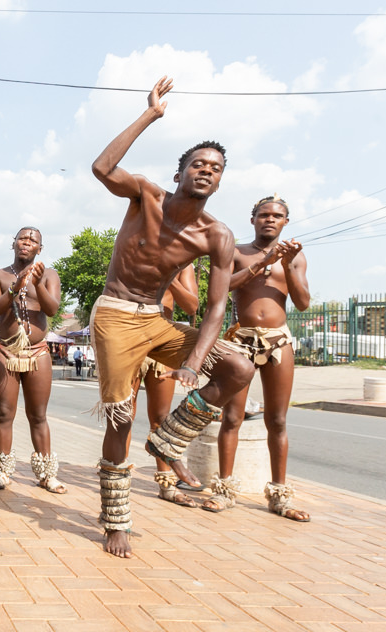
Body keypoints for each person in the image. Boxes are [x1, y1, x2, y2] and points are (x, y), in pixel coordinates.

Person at [89, 77, 255, 558]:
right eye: (198, 164)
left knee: (238, 367)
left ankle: (166, 442)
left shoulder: (216, 235)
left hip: (156, 320)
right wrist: (151, 115)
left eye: (216, 168)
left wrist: (193, 360)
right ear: (180, 172)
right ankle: (115, 519)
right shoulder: (146, 196)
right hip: (116, 313)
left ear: (220, 181)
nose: (207, 171)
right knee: (120, 418)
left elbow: (216, 306)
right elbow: (101, 167)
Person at [203, 195, 311, 521]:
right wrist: (260, 265)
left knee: (276, 420)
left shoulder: (296, 257)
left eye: (277, 216)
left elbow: (303, 302)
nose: (269, 220)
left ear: (285, 222)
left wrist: (288, 264)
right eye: (263, 214)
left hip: (278, 341)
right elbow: (220, 289)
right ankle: (224, 491)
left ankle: (279, 496)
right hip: (241, 340)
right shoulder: (237, 252)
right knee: (232, 418)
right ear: (252, 219)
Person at [0, 227, 65, 494]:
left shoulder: (50, 275)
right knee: (4, 413)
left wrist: (37, 284)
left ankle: (46, 474)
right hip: (4, 350)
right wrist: (14, 289)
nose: (26, 242)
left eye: (33, 240)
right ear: (14, 244)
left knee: (38, 415)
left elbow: (52, 309)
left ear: (40, 248)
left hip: (38, 351)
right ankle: (2, 471)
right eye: (22, 238)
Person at [129, 266, 201, 508]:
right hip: (131, 341)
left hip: (163, 345)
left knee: (161, 418)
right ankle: (116, 475)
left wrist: (171, 278)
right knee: (122, 414)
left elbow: (192, 307)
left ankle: (167, 485)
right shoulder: (136, 252)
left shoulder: (184, 263)